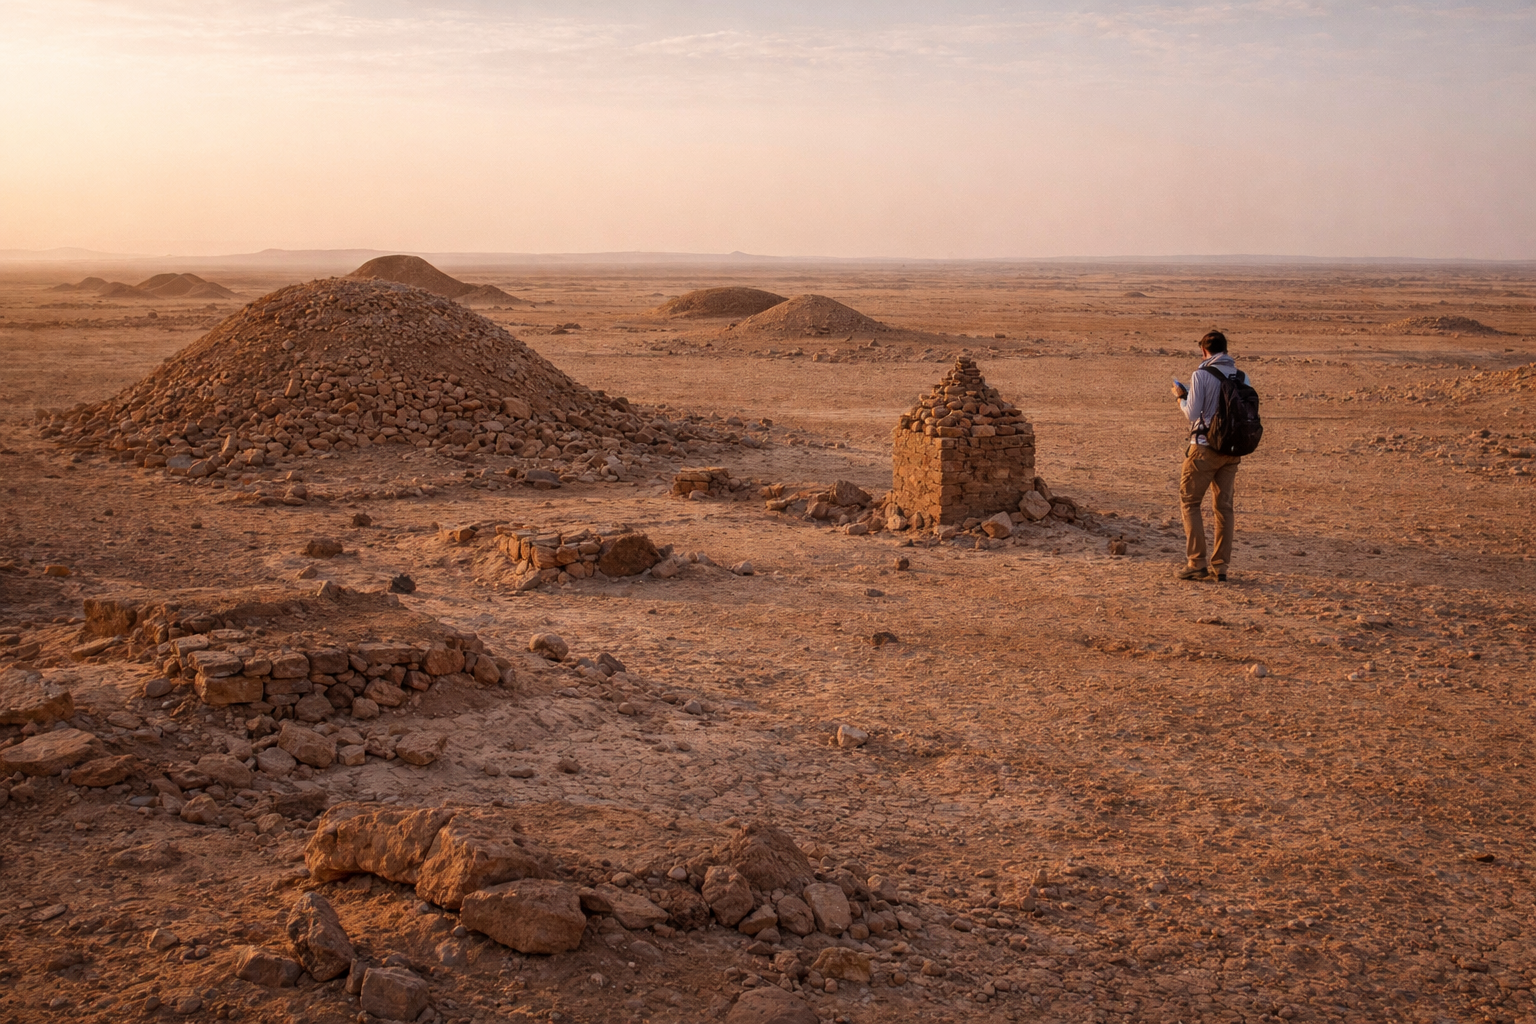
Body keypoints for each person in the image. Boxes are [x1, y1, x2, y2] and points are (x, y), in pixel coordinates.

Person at [1170, 330, 1248, 581]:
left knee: (1190, 502)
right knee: (1224, 509)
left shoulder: (1201, 375)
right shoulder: (1242, 376)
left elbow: (1193, 414)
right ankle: (1221, 566)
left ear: (1204, 351)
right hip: (1232, 450)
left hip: (1204, 448)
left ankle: (1196, 562)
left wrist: (1181, 398)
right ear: (1225, 349)